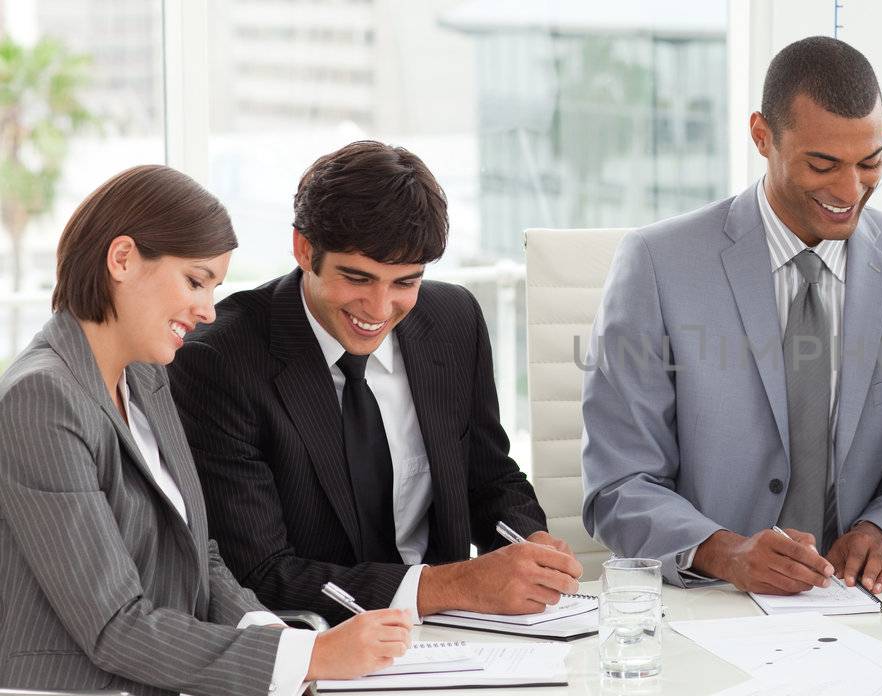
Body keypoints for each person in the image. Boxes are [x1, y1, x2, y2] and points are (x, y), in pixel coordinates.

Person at [0, 165, 411, 695]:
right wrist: (308, 657)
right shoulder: (42, 398)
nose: (209, 311)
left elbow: (200, 553)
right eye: (195, 281)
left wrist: (276, 636)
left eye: (214, 288)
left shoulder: (145, 376)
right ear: (122, 259)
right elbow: (113, 625)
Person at [581, 36, 882, 594]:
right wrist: (724, 552)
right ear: (762, 135)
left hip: (863, 605)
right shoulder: (657, 264)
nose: (849, 190)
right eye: (823, 164)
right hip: (712, 603)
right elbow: (618, 483)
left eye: (870, 162)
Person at [168, 141, 581, 621]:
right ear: (305, 249)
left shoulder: (454, 320)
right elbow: (259, 575)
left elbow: (489, 477)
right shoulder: (219, 362)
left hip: (462, 636)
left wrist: (530, 546)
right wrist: (451, 584)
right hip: (320, 645)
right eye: (359, 279)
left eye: (405, 282)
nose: (380, 309)